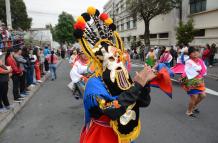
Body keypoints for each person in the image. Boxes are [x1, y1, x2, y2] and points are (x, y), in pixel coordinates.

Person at [74, 8, 157, 143]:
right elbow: (111, 109)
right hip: (103, 136)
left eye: (119, 57)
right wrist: (137, 86)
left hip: (124, 136)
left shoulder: (121, 78)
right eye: (112, 58)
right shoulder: (93, 83)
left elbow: (143, 102)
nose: (118, 62)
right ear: (100, 60)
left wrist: (144, 84)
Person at [180, 47, 207, 117]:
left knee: (203, 95)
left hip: (199, 81)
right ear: (190, 54)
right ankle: (189, 111)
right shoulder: (188, 62)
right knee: (194, 97)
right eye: (193, 52)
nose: (195, 53)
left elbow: (203, 71)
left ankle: (194, 106)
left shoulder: (200, 61)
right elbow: (187, 71)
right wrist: (183, 79)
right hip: (191, 81)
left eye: (196, 52)